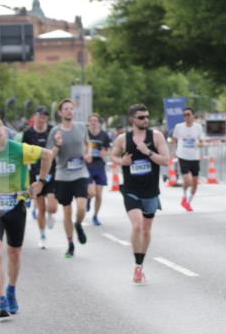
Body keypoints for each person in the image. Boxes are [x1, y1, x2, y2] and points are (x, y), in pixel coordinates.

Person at [0, 119, 53, 318]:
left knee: (14, 253)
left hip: (16, 205)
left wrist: (40, 182)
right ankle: (1, 300)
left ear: (5, 134)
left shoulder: (19, 149)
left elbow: (47, 154)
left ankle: (11, 290)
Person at [111, 104, 170, 284]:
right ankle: (137, 266)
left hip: (151, 191)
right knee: (137, 225)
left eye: (147, 117)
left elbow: (166, 160)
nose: (145, 120)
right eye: (141, 117)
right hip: (130, 189)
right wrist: (122, 161)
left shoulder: (156, 136)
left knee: (146, 229)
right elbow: (113, 156)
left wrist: (148, 152)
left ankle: (140, 264)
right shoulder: (123, 139)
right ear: (132, 120)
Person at [49, 99, 91, 259]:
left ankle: (78, 224)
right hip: (63, 175)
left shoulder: (81, 127)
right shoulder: (55, 131)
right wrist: (57, 145)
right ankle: (70, 244)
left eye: (71, 109)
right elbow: (50, 155)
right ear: (60, 112)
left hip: (80, 173)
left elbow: (88, 144)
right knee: (67, 212)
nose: (69, 111)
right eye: (66, 109)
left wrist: (87, 153)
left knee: (81, 207)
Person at [21, 106, 59, 248]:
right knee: (41, 208)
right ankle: (42, 235)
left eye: (45, 116)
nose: (42, 118)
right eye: (40, 115)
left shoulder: (52, 131)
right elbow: (23, 154)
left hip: (52, 172)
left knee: (53, 206)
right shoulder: (28, 133)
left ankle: (51, 215)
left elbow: (57, 148)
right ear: (35, 117)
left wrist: (58, 145)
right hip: (34, 174)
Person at [170, 106, 205, 211]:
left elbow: (202, 141)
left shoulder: (198, 127)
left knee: (194, 184)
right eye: (184, 115)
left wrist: (200, 144)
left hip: (194, 157)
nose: (186, 117)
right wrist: (174, 151)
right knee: (187, 181)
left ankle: (188, 202)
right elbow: (174, 140)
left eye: (188, 114)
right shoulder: (178, 127)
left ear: (193, 116)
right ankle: (184, 195)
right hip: (183, 156)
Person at [85, 113, 112, 225]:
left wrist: (104, 153)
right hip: (88, 166)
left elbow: (108, 149)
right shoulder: (85, 134)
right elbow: (80, 147)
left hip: (99, 165)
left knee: (99, 195)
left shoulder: (103, 135)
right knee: (91, 192)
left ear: (99, 122)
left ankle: (95, 216)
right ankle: (88, 200)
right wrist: (85, 154)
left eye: (95, 120)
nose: (93, 122)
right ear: (88, 122)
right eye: (91, 120)